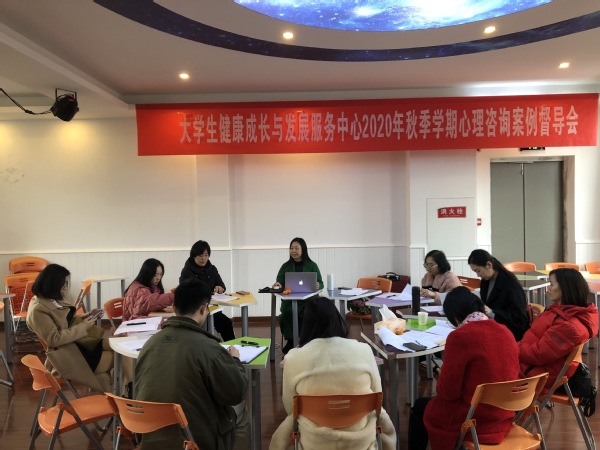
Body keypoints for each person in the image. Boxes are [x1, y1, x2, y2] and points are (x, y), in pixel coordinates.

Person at [135, 278, 249, 450]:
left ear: (174, 308)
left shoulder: (150, 344)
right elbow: (236, 392)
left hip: (149, 437)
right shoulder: (208, 347)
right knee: (240, 410)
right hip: (194, 439)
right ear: (204, 309)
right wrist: (234, 360)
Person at [269, 296, 396, 450]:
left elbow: (291, 408)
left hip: (313, 443)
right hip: (361, 442)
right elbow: (377, 397)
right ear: (337, 319)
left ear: (306, 325)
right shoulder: (364, 350)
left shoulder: (294, 358)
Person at [408, 287, 520, 450]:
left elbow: (449, 393)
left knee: (420, 406)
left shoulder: (460, 337)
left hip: (474, 418)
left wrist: (442, 375)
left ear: (454, 317)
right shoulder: (505, 331)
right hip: (504, 414)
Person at [26, 263, 113, 393]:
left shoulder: (50, 298)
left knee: (118, 347)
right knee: (119, 357)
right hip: (68, 353)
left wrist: (89, 316)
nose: (66, 287)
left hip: (77, 344)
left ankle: (117, 397)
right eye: (64, 284)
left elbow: (67, 321)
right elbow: (54, 339)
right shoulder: (38, 309)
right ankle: (127, 395)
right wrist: (84, 326)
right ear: (53, 284)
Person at [519, 268, 598, 389]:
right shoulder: (562, 312)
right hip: (530, 365)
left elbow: (538, 355)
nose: (548, 289)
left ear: (565, 288)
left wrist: (512, 348)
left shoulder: (569, 326)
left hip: (534, 375)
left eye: (551, 284)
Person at [272, 237, 323, 354]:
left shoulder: (312, 265)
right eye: (291, 248)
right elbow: (279, 282)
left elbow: (321, 283)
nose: (293, 251)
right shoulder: (285, 266)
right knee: (287, 314)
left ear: (303, 249)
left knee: (307, 314)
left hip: (309, 301)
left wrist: (318, 285)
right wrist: (278, 284)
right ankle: (291, 341)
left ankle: (306, 342)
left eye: (296, 248)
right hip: (290, 301)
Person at [467, 249, 530, 341]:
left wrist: (492, 312)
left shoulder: (510, 283)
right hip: (494, 328)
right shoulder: (485, 281)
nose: (478, 275)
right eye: (475, 272)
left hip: (511, 333)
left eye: (478, 270)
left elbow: (520, 318)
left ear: (489, 265)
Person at [179, 240, 235, 341]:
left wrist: (220, 287)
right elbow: (185, 291)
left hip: (212, 309)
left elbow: (221, 285)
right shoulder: (187, 271)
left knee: (226, 322)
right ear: (194, 256)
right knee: (206, 328)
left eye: (206, 255)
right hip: (195, 311)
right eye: (200, 255)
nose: (204, 258)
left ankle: (232, 347)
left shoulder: (212, 269)